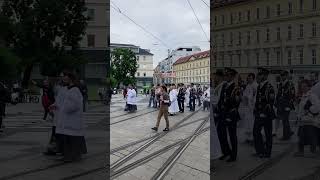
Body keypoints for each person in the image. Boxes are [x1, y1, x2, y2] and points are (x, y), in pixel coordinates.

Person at [51, 71, 87, 162]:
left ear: (70, 78)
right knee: (67, 138)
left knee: (72, 138)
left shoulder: (75, 89)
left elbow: (75, 104)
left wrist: (65, 108)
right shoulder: (67, 89)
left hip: (72, 119)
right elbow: (62, 101)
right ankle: (68, 155)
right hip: (66, 119)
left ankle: (73, 156)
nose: (63, 78)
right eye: (63, 77)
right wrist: (56, 106)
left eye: (65, 77)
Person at [216, 68, 241, 162]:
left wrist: (230, 116)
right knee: (221, 134)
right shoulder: (224, 86)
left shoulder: (236, 88)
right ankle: (226, 152)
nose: (226, 77)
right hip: (223, 114)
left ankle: (233, 156)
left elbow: (236, 103)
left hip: (231, 115)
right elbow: (221, 100)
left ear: (233, 76)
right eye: (226, 75)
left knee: (232, 136)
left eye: (228, 75)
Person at [253, 67, 276, 158]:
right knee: (255, 132)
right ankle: (260, 150)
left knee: (268, 133)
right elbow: (258, 100)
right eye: (259, 74)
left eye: (261, 74)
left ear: (266, 76)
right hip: (258, 113)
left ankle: (267, 152)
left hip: (266, 114)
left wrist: (264, 112)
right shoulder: (259, 86)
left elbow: (271, 102)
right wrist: (256, 110)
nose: (259, 76)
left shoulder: (269, 87)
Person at [294, 80, 320, 157]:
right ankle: (302, 151)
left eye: (305, 86)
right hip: (303, 120)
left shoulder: (312, 96)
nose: (303, 88)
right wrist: (298, 117)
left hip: (310, 120)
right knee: (301, 136)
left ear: (309, 87)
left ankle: (312, 151)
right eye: (302, 86)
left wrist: (309, 109)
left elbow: (317, 107)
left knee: (311, 136)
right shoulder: (303, 95)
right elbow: (300, 109)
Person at [275, 70, 295, 140]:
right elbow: (278, 94)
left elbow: (292, 95)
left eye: (283, 75)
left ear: (286, 76)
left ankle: (286, 136)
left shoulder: (290, 84)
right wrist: (276, 104)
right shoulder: (280, 84)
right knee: (284, 120)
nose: (282, 77)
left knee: (285, 120)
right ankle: (289, 132)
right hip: (281, 105)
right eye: (281, 76)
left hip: (286, 105)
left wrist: (289, 106)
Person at [238, 73, 258, 144]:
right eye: (248, 78)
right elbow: (245, 95)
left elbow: (255, 96)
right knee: (247, 122)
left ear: (253, 78)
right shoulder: (248, 86)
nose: (249, 79)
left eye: (250, 78)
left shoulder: (255, 86)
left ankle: (253, 138)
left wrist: (249, 99)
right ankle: (248, 137)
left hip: (252, 107)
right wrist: (242, 96)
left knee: (252, 123)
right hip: (247, 107)